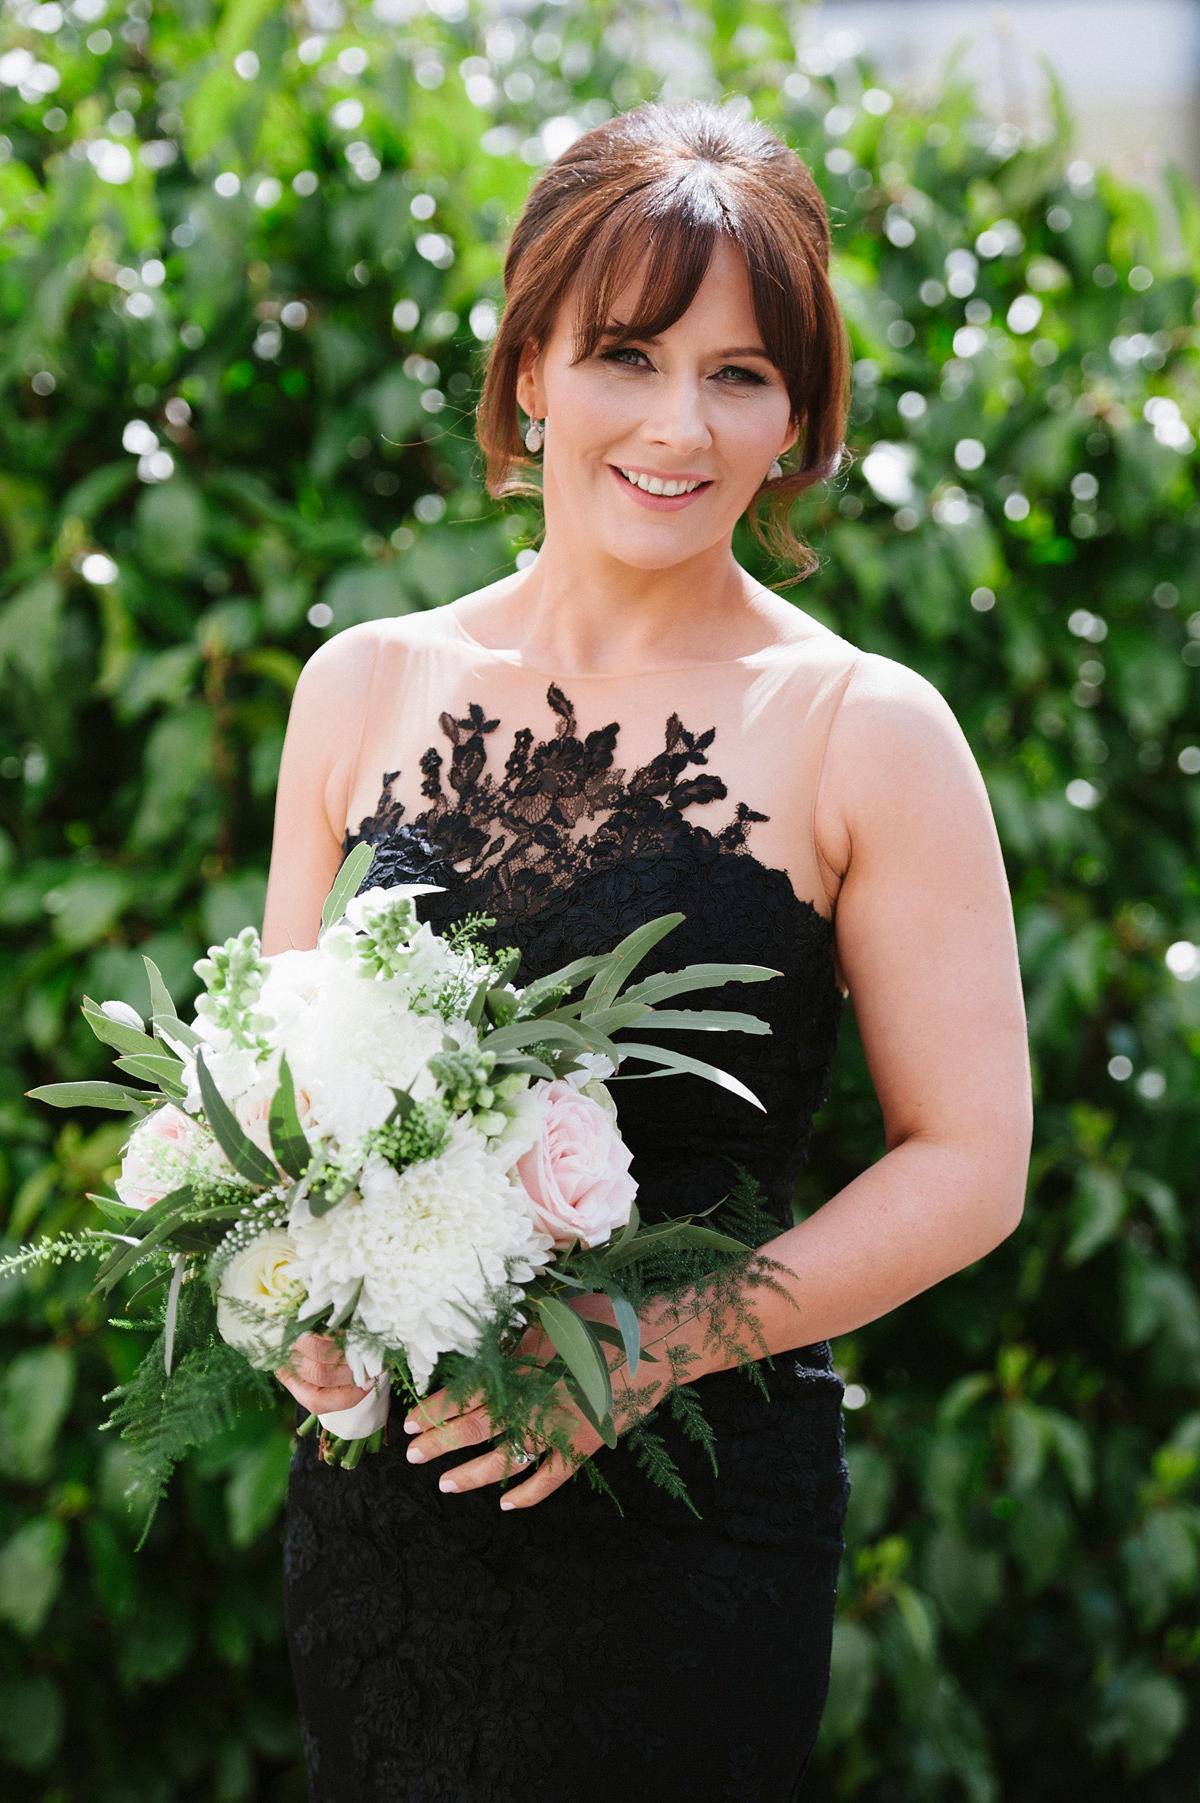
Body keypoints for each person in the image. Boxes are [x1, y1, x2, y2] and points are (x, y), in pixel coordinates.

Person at [262, 102, 1031, 1803]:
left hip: (690, 1530)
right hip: (391, 1523)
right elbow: (290, 1123)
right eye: (627, 353)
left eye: (743, 374)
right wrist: (297, 1317)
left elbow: (973, 1166)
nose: (682, 424)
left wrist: (651, 1344)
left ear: (797, 417)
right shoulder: (360, 687)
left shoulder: (864, 728)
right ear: (531, 365)